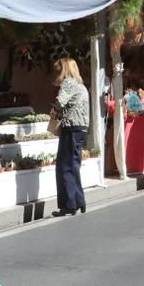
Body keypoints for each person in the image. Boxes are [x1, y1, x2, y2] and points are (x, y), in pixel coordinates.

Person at [50, 57, 89, 216]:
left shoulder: (68, 83)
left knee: (64, 165)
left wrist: (54, 111)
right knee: (74, 164)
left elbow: (60, 102)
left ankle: (69, 204)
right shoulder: (81, 85)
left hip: (71, 127)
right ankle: (79, 201)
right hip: (81, 128)